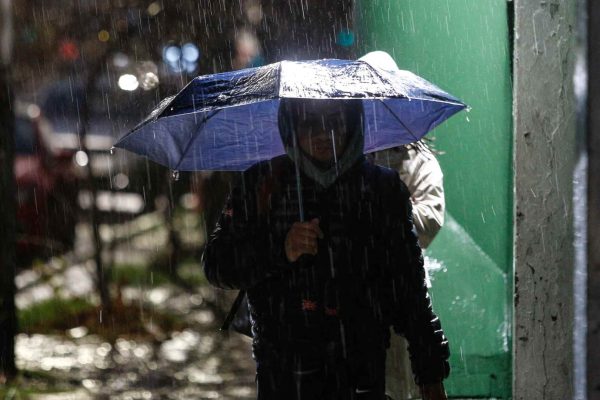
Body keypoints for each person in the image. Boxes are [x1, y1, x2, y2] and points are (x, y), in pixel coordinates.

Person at [203, 98, 450, 400]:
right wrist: (281, 248)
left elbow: (410, 291)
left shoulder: (380, 190)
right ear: (291, 125)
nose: (323, 133)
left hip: (363, 371)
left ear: (352, 123)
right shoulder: (263, 183)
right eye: (308, 122)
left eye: (334, 120)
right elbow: (217, 264)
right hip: (283, 373)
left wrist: (431, 378)